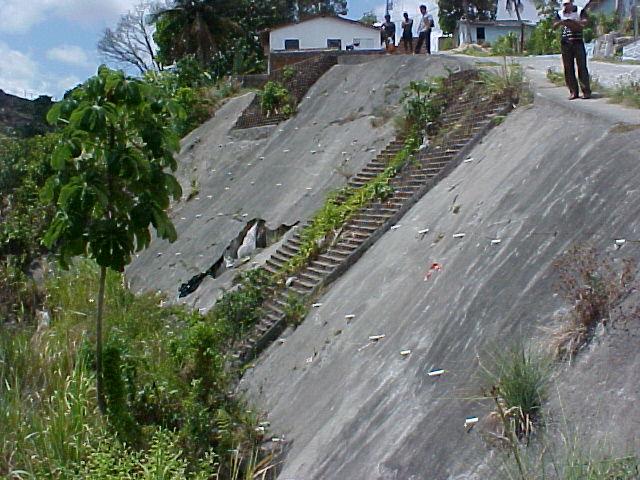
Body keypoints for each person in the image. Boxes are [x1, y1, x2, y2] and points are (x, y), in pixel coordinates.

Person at [553, 0, 591, 99]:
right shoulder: (560, 13)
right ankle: (573, 91)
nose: (566, 6)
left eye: (567, 4)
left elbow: (585, 22)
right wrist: (561, 22)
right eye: (564, 4)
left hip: (577, 42)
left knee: (582, 67)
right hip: (566, 43)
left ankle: (586, 91)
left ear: (572, 3)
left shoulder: (580, 11)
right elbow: (554, 25)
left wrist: (573, 23)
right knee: (568, 68)